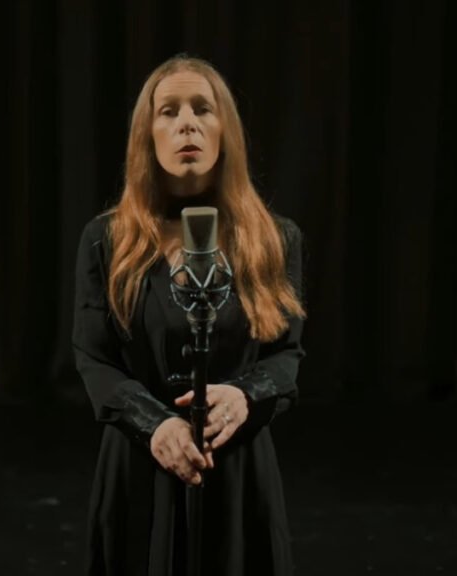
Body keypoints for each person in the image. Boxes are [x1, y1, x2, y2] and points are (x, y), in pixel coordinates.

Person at [72, 54, 306, 576]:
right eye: (169, 111)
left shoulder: (276, 239)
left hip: (236, 468)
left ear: (226, 132)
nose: (187, 124)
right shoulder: (107, 240)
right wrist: (155, 426)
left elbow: (286, 355)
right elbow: (93, 358)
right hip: (139, 466)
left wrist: (244, 397)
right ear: (147, 136)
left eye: (203, 109)